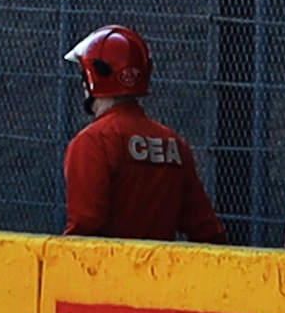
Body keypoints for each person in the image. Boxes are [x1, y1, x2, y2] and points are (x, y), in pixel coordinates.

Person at [62, 23, 227, 243]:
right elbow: (206, 229)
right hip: (160, 274)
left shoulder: (92, 142)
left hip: (109, 273)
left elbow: (85, 227)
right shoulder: (173, 144)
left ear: (91, 78)